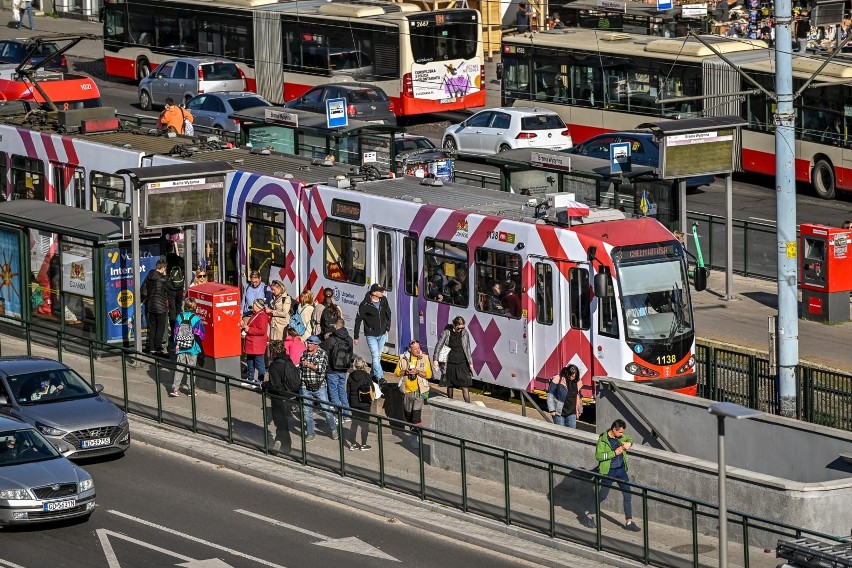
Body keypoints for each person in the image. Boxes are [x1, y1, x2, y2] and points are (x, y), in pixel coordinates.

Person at [583, 419, 641, 532]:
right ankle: (589, 514)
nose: (622, 434)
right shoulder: (603, 440)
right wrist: (615, 453)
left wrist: (630, 443)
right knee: (602, 496)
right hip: (608, 472)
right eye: (620, 432)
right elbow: (599, 457)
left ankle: (629, 521)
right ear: (614, 429)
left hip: (621, 471)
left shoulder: (621, 437)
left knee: (628, 494)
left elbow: (630, 439)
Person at [264, 339, 301, 452]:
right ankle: (281, 443)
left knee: (280, 422)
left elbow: (275, 386)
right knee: (283, 422)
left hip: (279, 398)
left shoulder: (274, 366)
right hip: (290, 396)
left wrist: (265, 385)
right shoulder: (288, 360)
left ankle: (284, 445)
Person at [299, 335, 338, 441]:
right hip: (305, 386)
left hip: (319, 387)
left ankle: (333, 428)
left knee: (326, 410)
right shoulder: (304, 353)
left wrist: (308, 365)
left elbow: (321, 369)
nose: (308, 345)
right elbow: (301, 368)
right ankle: (311, 433)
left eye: (311, 343)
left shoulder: (322, 354)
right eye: (308, 343)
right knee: (307, 412)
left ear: (316, 345)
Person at [354, 283, 392, 383]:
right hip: (371, 335)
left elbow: (388, 312)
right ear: (374, 293)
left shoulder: (384, 300)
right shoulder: (365, 304)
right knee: (375, 356)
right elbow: (358, 320)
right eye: (380, 291)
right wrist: (356, 336)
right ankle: (380, 377)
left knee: (378, 356)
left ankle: (372, 374)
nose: (382, 293)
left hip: (382, 333)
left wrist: (388, 326)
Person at [394, 340, 433, 438]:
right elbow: (396, 373)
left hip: (419, 392)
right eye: (415, 349)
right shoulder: (403, 358)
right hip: (406, 392)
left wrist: (417, 372)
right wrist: (405, 372)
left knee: (416, 416)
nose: (417, 350)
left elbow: (428, 375)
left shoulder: (424, 358)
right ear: (410, 349)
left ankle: (416, 437)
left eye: (418, 348)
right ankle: (414, 432)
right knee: (408, 416)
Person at [433, 316, 474, 403]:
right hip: (450, 362)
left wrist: (470, 363)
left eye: (462, 327)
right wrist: (435, 360)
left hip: (462, 362)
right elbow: (439, 346)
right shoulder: (447, 332)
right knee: (450, 384)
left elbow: (467, 348)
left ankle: (468, 405)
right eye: (459, 328)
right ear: (455, 325)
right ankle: (450, 402)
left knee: (465, 384)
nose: (461, 329)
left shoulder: (465, 333)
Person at [170, 297, 205, 397]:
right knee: (191, 369)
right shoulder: (196, 319)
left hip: (180, 347)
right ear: (194, 308)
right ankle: (191, 390)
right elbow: (200, 335)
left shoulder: (179, 317)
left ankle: (175, 389)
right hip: (192, 348)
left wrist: (176, 343)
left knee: (179, 368)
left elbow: (175, 332)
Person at [322, 317, 354, 422]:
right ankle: (346, 413)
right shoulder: (349, 339)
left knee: (333, 392)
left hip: (332, 369)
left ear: (336, 326)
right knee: (342, 391)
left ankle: (338, 414)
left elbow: (325, 352)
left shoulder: (332, 339)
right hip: (343, 368)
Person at [141, 259, 169, 355]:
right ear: (163, 268)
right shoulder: (164, 279)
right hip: (161, 307)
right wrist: (165, 275)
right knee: (160, 328)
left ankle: (152, 348)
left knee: (152, 328)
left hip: (151, 305)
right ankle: (158, 348)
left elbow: (143, 291)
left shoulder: (149, 276)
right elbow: (168, 289)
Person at [240, 298, 270, 387]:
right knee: (250, 362)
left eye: (253, 304)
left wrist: (249, 329)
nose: (252, 305)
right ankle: (250, 379)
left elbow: (262, 331)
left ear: (257, 305)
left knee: (259, 363)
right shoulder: (256, 314)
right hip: (252, 342)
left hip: (257, 344)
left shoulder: (262, 316)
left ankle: (260, 381)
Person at [346, 356, 373, 451]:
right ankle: (363, 445)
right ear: (364, 364)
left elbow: (348, 391)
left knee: (354, 423)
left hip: (354, 403)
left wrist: (350, 403)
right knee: (365, 424)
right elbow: (372, 389)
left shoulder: (350, 376)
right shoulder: (367, 376)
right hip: (365, 403)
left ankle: (353, 444)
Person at [165, 251, 186, 352]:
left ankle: (174, 330)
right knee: (179, 308)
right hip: (180, 288)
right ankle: (180, 327)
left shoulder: (167, 260)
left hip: (171, 289)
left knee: (172, 310)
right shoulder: (180, 260)